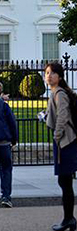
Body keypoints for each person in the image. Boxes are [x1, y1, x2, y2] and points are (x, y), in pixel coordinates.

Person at [44, 63, 77, 231]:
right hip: (64, 142)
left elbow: (63, 115)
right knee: (65, 181)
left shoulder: (59, 93)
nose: (49, 76)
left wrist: (57, 135)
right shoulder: (56, 93)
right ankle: (69, 218)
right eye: (47, 73)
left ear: (60, 76)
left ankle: (69, 219)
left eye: (53, 73)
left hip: (65, 142)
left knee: (65, 181)